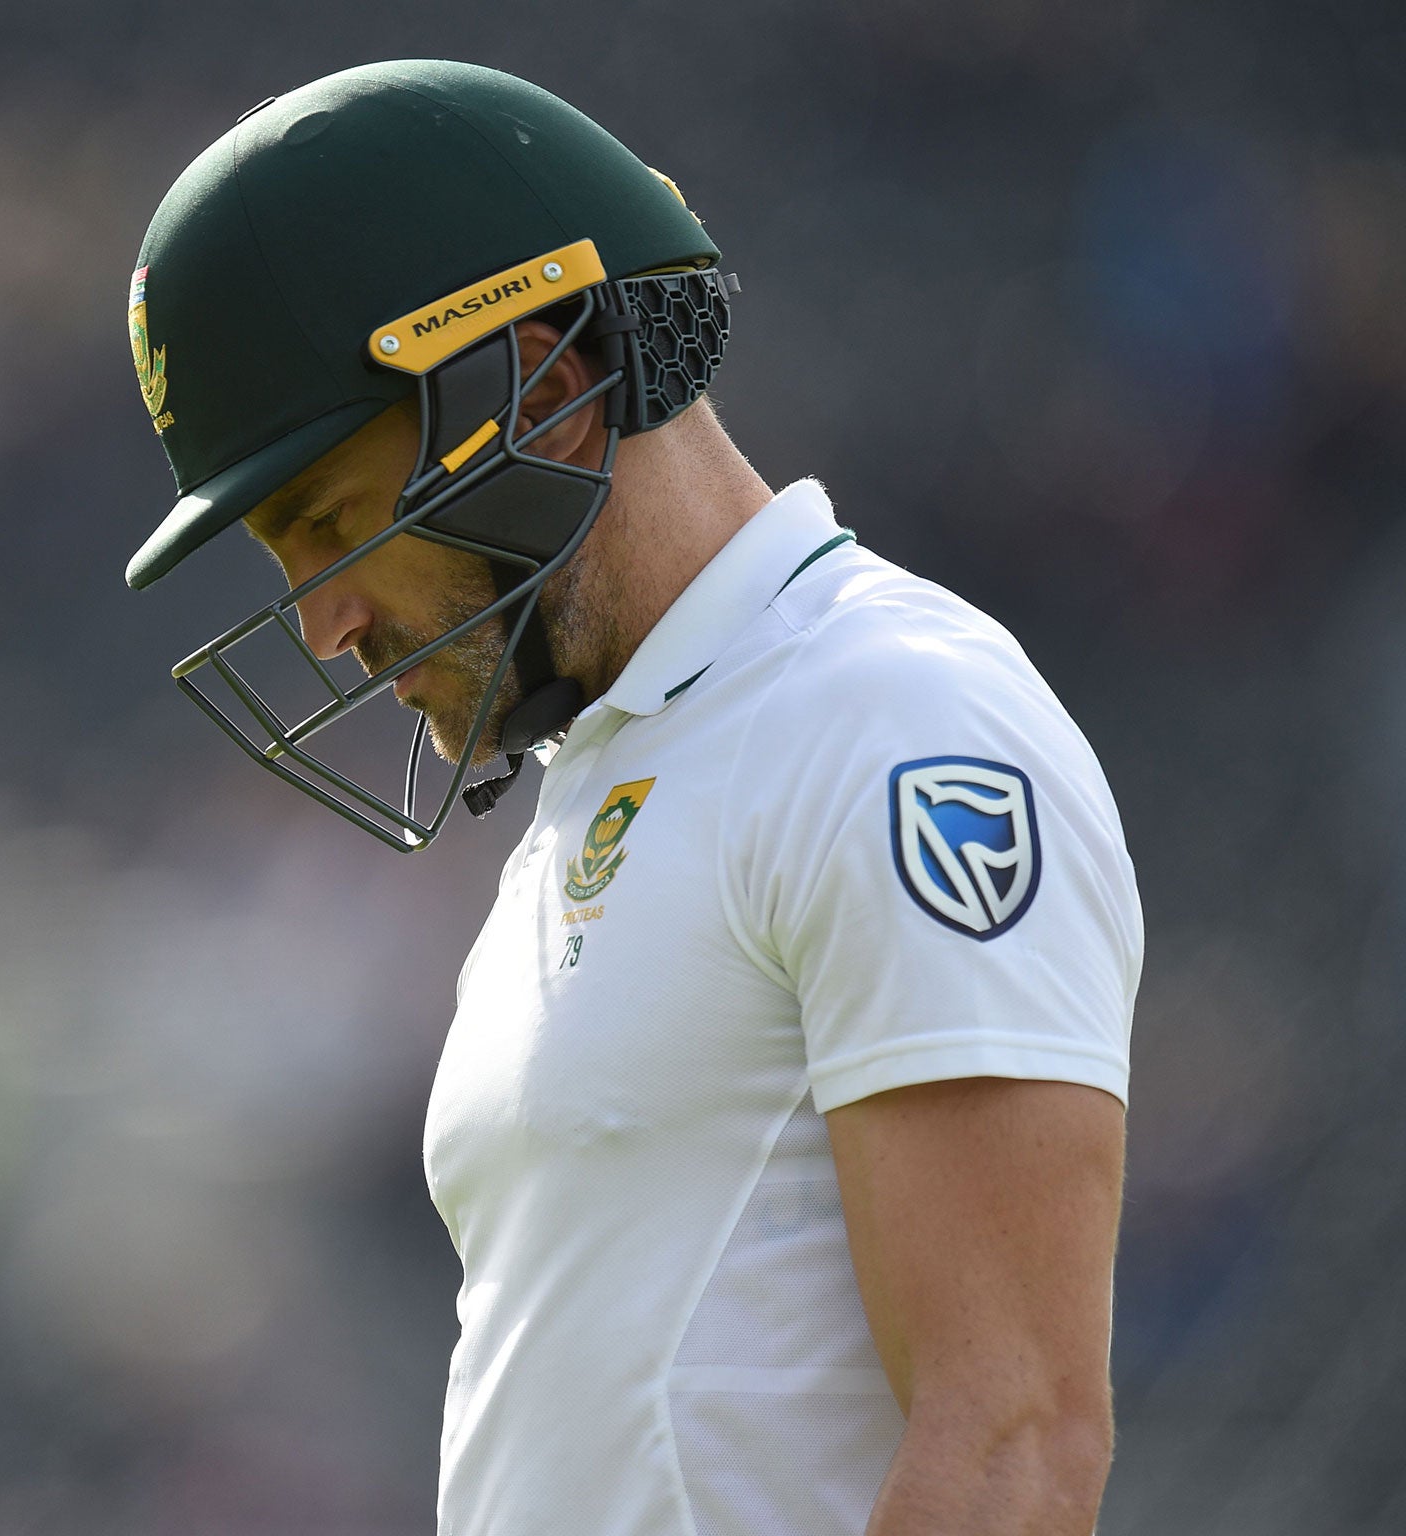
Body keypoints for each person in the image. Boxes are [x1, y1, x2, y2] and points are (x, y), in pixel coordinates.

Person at [122, 59, 1141, 1536]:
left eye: (332, 525)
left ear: (538, 389)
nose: (323, 627)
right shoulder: (604, 777)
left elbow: (1018, 1442)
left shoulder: (891, 721)